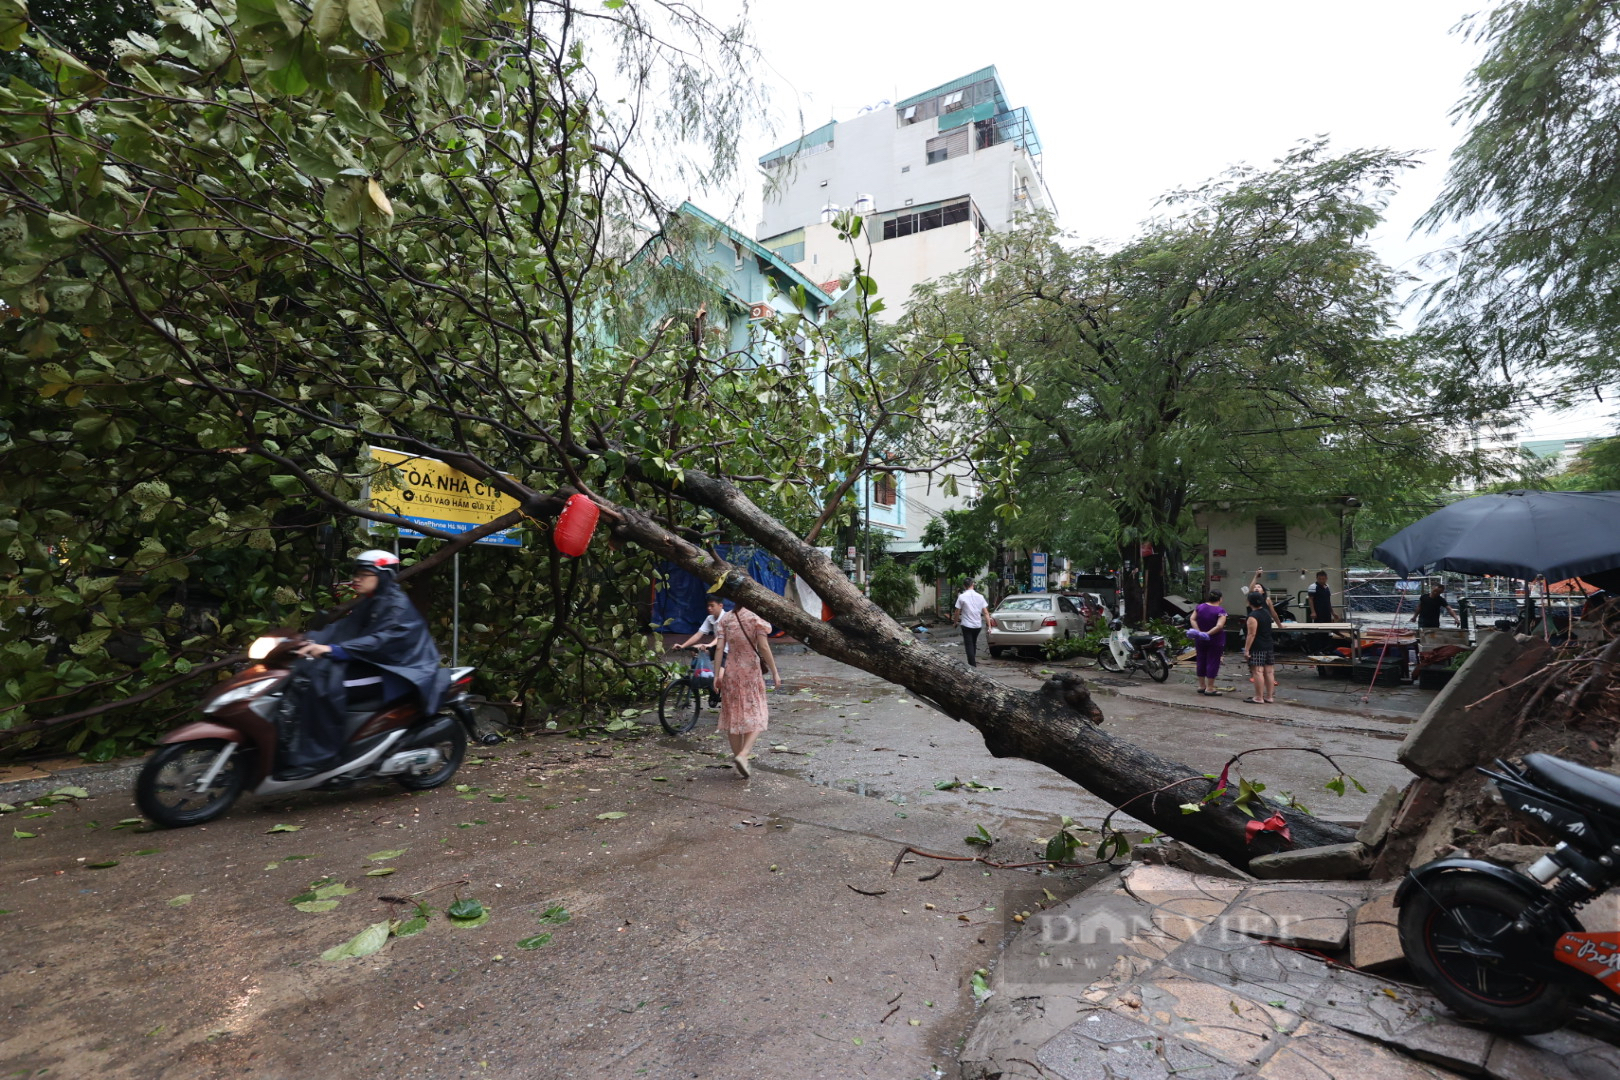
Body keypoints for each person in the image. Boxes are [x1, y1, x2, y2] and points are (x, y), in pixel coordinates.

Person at [281, 550, 451, 780]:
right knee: (304, 672)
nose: (357, 579)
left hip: (401, 670)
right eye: (356, 573)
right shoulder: (372, 602)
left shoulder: (396, 607)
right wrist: (305, 640)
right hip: (376, 663)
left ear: (382, 576)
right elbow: (340, 629)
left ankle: (323, 757)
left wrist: (333, 650)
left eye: (365, 574)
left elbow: (380, 641)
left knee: (325, 684)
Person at [713, 602, 780, 778]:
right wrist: (774, 671)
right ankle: (743, 755)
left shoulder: (726, 619)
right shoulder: (755, 617)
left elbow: (719, 648)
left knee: (733, 716)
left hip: (731, 673)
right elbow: (763, 647)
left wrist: (715, 676)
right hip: (750, 672)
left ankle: (738, 765)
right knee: (758, 712)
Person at [1242, 591, 1276, 704]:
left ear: (1249, 602)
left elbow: (1251, 634)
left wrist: (1246, 650)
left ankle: (1258, 697)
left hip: (1257, 646)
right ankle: (1269, 696)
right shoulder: (1266, 613)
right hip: (1268, 645)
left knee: (1258, 671)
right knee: (1269, 672)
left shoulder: (1252, 616)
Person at [1192, 589, 1228, 697]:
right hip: (1215, 640)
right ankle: (1210, 687)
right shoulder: (1220, 611)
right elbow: (1219, 626)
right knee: (1213, 661)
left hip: (1200, 639)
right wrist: (1208, 634)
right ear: (1220, 599)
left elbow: (1192, 619)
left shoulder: (1200, 607)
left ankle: (1202, 685)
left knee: (1201, 660)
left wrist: (1199, 632)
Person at [953, 580, 991, 667]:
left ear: (964, 586)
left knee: (969, 645)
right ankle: (972, 662)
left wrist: (955, 622)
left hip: (966, 625)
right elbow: (985, 612)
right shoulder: (980, 596)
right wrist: (989, 626)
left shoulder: (962, 597)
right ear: (973, 584)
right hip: (977, 625)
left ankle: (972, 665)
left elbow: (957, 612)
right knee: (973, 643)